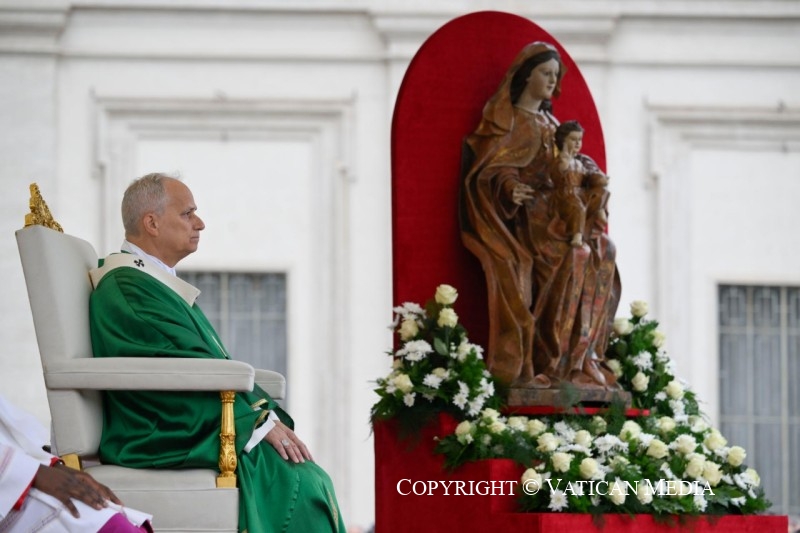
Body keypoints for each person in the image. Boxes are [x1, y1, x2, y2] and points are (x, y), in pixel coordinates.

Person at [88, 173, 346, 533]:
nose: (200, 223)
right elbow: (177, 365)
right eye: (187, 213)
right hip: (157, 430)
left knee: (306, 474)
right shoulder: (128, 286)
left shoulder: (151, 282)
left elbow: (201, 362)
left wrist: (262, 417)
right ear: (152, 223)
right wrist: (253, 423)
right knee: (300, 483)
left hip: (187, 418)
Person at [459, 41, 620, 391]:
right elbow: (492, 169)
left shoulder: (552, 122)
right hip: (532, 219)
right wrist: (509, 187)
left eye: (555, 75)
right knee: (573, 255)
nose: (551, 81)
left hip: (561, 210)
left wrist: (592, 174)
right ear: (525, 76)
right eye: (545, 73)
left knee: (604, 249)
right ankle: (553, 359)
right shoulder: (508, 122)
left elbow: (572, 159)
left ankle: (583, 357)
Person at [0, 394, 152, 532]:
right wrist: (32, 471)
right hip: (12, 482)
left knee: (117, 523)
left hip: (20, 463)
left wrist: (51, 465)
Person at [548, 120, 611, 248]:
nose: (577, 143)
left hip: (579, 193)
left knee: (602, 192)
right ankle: (577, 235)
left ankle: (599, 210)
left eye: (579, 139)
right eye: (573, 139)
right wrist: (565, 157)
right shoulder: (561, 159)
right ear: (563, 141)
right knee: (578, 207)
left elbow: (588, 176)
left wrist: (600, 179)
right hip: (566, 194)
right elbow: (558, 172)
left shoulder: (580, 162)